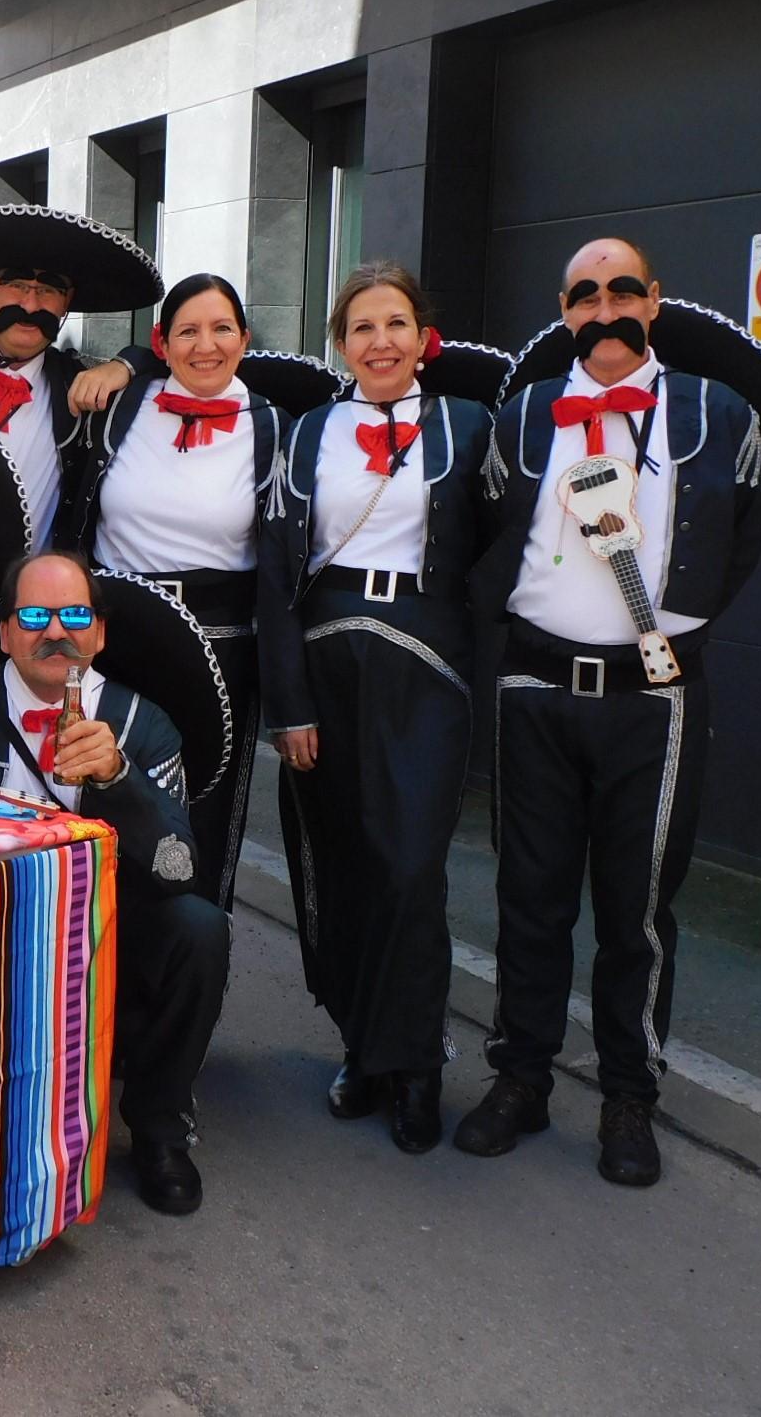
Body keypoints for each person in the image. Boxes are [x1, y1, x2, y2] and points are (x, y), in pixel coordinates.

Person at [454, 239, 761, 1188]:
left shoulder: (720, 416)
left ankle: (628, 1096)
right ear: (563, 310)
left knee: (637, 910)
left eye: (623, 290)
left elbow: (745, 536)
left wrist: (683, 625)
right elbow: (485, 526)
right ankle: (519, 1077)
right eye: (585, 294)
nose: (605, 309)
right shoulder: (521, 420)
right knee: (529, 896)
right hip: (535, 689)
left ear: (655, 300)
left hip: (657, 697)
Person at [0, 552, 224, 1217]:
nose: (55, 632)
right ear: (7, 632)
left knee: (199, 929)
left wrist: (121, 776)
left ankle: (159, 1127)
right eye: (34, 616)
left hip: (104, 938)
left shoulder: (144, 723)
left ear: (99, 632)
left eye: (74, 615)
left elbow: (180, 867)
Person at [258, 261, 496, 1156]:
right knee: (343, 862)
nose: (381, 340)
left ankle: (420, 1058)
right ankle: (363, 1045)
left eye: (395, 322)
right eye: (362, 327)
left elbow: (510, 540)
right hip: (324, 660)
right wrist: (287, 703)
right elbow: (278, 571)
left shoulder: (470, 427)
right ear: (342, 343)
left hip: (426, 659)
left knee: (410, 866)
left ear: (423, 334)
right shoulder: (308, 431)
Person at [62, 274, 296, 909]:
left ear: (245, 339)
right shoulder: (125, 406)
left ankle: (190, 967)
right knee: (102, 796)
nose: (206, 345)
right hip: (117, 642)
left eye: (222, 328)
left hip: (217, 655)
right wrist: (124, 362)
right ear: (162, 343)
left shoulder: (275, 429)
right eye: (187, 331)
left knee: (199, 818)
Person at [0, 205, 165, 550]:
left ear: (66, 301)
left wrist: (125, 364)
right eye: (16, 285)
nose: (29, 305)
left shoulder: (78, 383)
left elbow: (171, 365)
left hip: (31, 594)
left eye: (48, 291)